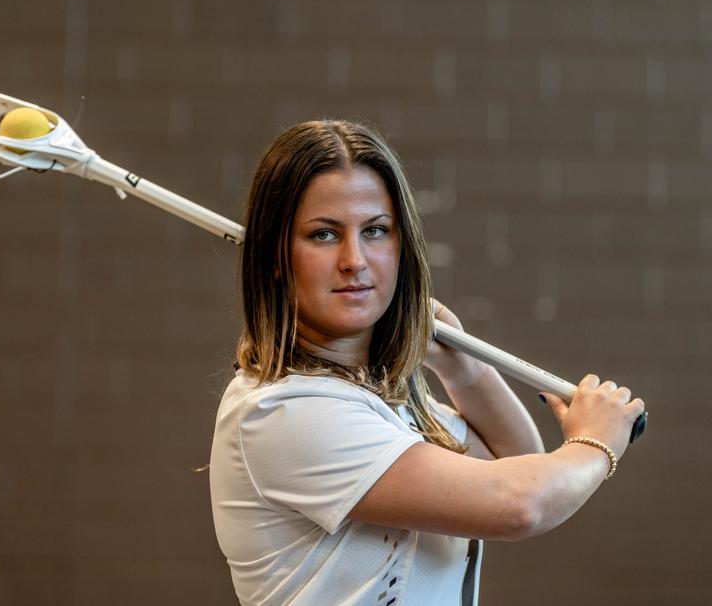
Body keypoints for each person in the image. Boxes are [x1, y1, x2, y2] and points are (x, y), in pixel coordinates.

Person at [208, 120, 645, 606]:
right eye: (325, 235)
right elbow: (521, 504)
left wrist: (464, 369)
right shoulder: (288, 413)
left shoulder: (383, 403)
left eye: (375, 230)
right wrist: (597, 442)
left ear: (402, 247)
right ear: (275, 254)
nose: (355, 259)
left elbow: (523, 462)